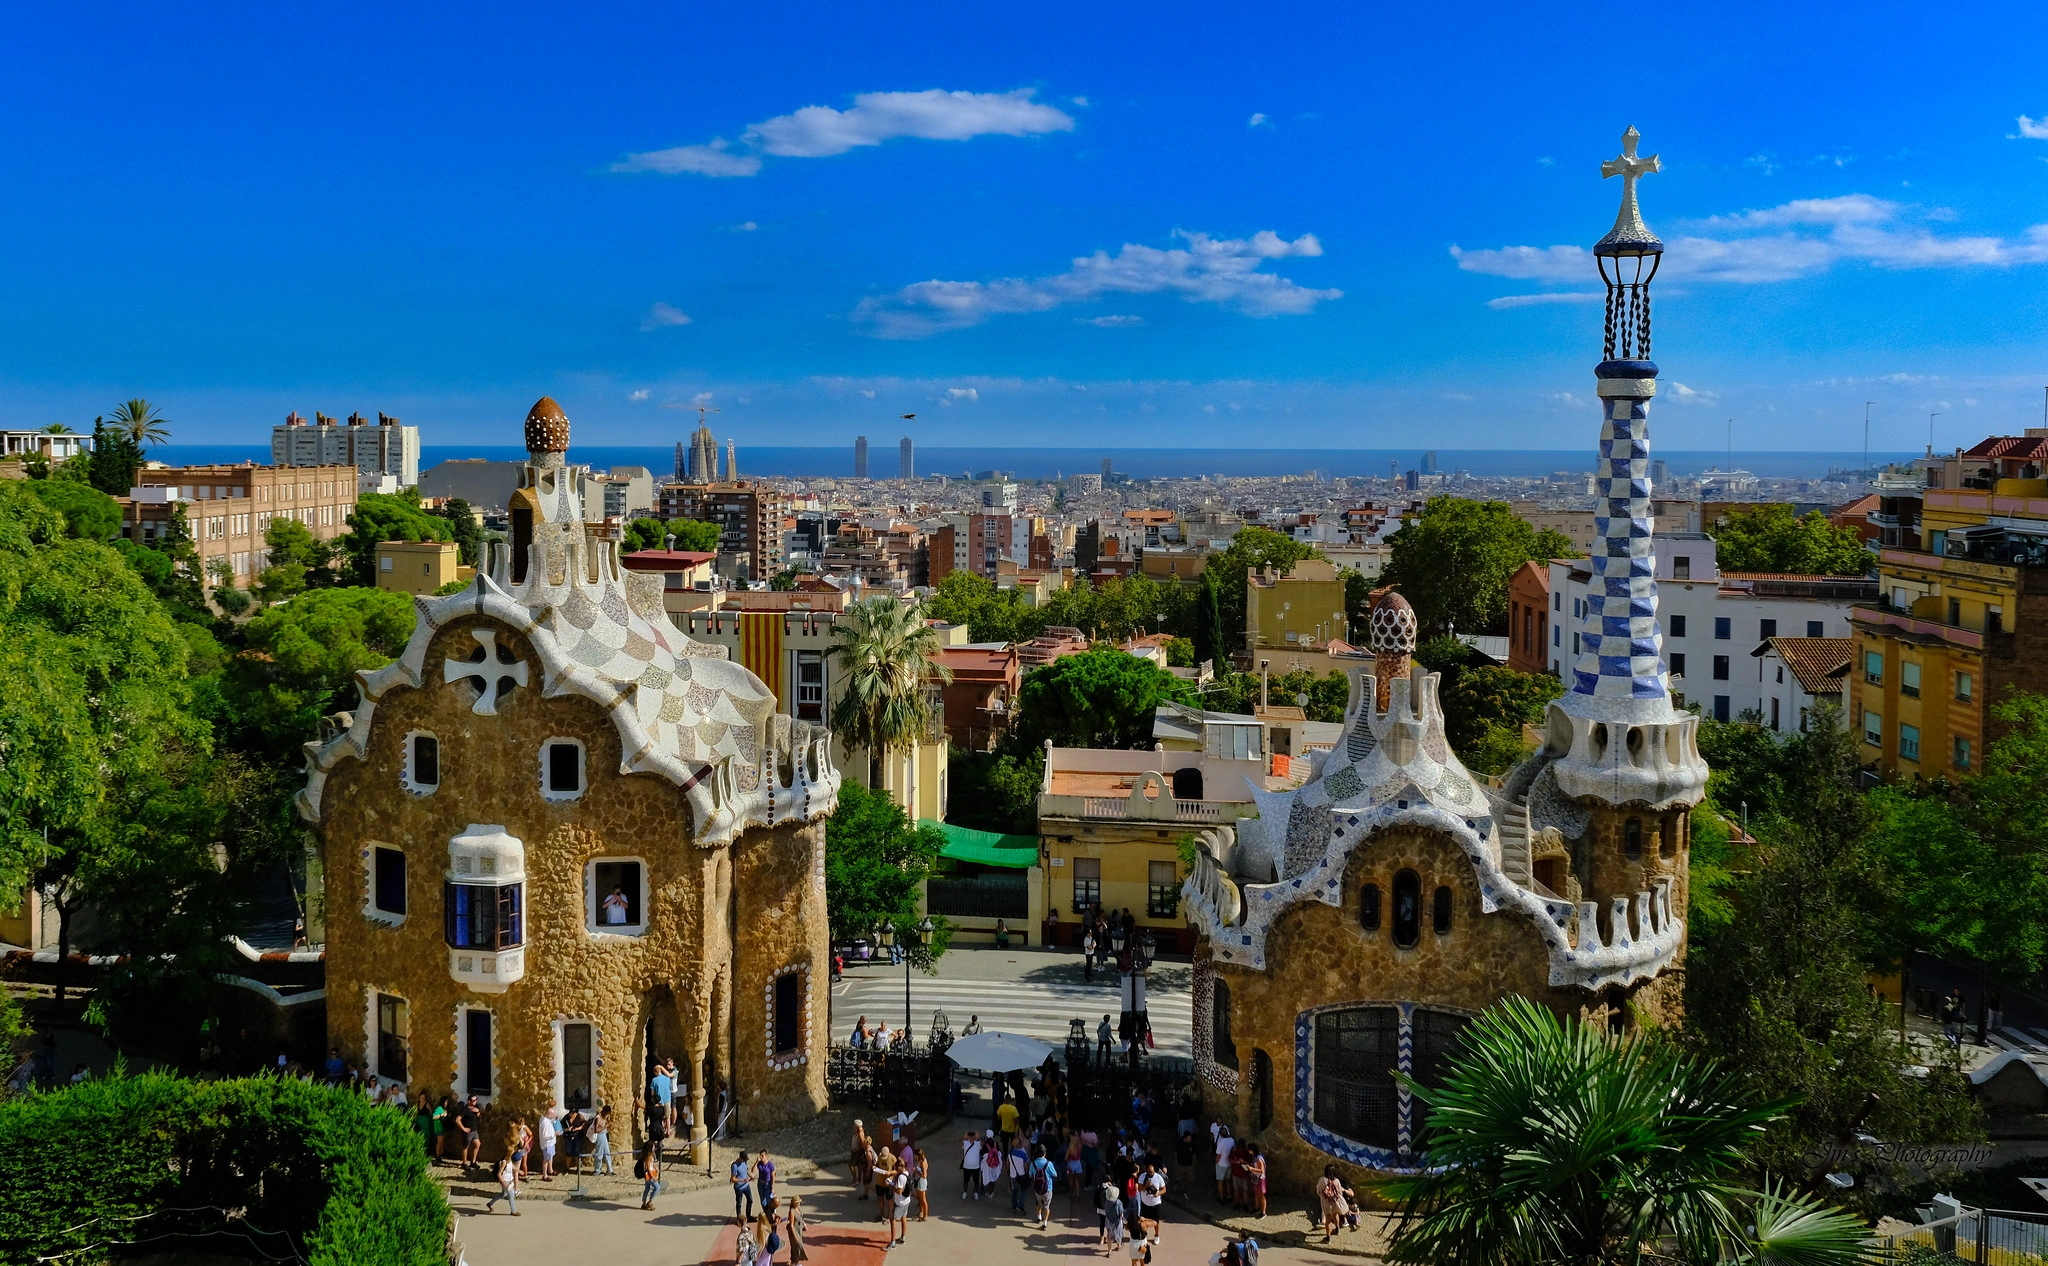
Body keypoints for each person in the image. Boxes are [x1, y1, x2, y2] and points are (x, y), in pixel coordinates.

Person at [1030, 1144, 1060, 1230]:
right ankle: (1045, 1222)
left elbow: (1030, 1174)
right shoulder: (1048, 1163)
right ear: (1044, 1153)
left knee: (1038, 1202)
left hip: (1037, 1188)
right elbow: (1055, 1174)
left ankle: (1039, 1216)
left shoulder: (1033, 1163)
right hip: (1048, 1188)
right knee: (1046, 1206)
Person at [484, 1150, 519, 1216]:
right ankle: (513, 1211)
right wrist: (503, 1182)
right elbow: (499, 1174)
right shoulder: (504, 1162)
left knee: (503, 1194)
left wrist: (519, 1171)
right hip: (505, 1181)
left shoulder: (509, 1161)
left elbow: (512, 1167)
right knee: (511, 1194)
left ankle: (490, 1204)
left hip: (509, 1180)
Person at [1136, 1162, 1166, 1240]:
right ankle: (1144, 1235)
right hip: (1145, 1203)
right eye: (1149, 1172)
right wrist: (1146, 1185)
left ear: (1154, 1171)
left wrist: (1158, 1193)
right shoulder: (1142, 1177)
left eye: (1152, 1172)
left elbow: (1164, 1189)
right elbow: (1139, 1189)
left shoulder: (1158, 1177)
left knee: (1156, 1221)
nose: (1150, 1173)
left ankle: (1156, 1235)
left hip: (1155, 1204)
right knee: (1144, 1221)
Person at [1316, 1164, 1344, 1242]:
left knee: (1327, 1220)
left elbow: (1318, 1191)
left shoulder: (1322, 1180)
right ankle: (1337, 1229)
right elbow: (1340, 1193)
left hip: (1326, 1203)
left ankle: (1328, 1237)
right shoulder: (1337, 1181)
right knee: (1336, 1215)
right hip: (1335, 1202)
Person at [535, 1100, 560, 1180]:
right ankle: (545, 1175)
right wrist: (554, 1134)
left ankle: (550, 1169)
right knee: (546, 1159)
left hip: (551, 1143)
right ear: (549, 1115)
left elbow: (551, 1121)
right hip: (547, 1143)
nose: (553, 1116)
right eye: (552, 1115)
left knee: (550, 1156)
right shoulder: (544, 1123)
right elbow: (545, 1135)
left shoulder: (546, 1119)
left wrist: (555, 1120)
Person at [888, 1162, 912, 1245]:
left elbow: (899, 1191)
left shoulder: (901, 1177)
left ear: (899, 1167)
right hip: (906, 1200)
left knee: (892, 1219)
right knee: (903, 1217)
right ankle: (902, 1237)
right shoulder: (907, 1173)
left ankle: (892, 1243)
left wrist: (891, 1186)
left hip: (899, 1202)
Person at [1099, 1178, 1126, 1252]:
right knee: (1118, 1233)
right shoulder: (1118, 1202)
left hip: (1108, 1220)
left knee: (1109, 1235)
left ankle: (1109, 1250)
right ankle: (1118, 1246)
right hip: (1117, 1221)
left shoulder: (1106, 1202)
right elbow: (1121, 1213)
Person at [1242, 1144, 1266, 1219]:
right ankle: (1257, 1208)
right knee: (1256, 1194)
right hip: (1255, 1179)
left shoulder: (1258, 1159)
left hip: (1260, 1179)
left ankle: (1263, 1212)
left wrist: (1251, 1169)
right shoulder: (1254, 1157)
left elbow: (1261, 1170)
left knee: (1261, 1195)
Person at [732, 1150, 756, 1224]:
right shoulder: (735, 1165)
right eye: (744, 1159)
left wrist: (751, 1175)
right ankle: (739, 1218)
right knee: (739, 1203)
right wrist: (742, 1180)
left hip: (746, 1186)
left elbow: (746, 1170)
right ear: (740, 1158)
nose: (745, 1161)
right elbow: (733, 1179)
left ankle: (748, 1216)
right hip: (739, 1187)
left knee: (750, 1200)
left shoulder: (744, 1162)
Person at [1212, 1126, 1234, 1203]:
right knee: (1228, 1180)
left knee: (1220, 1182)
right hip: (1229, 1164)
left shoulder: (1221, 1143)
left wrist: (1216, 1163)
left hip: (1221, 1164)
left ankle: (1221, 1198)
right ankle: (1229, 1195)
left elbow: (1218, 1156)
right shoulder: (1231, 1140)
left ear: (1220, 1135)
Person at [852, 1119, 874, 1196]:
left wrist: (868, 1172)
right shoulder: (869, 1148)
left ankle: (878, 1193)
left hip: (867, 1168)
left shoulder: (868, 1152)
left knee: (867, 1182)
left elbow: (870, 1163)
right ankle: (865, 1194)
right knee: (866, 1182)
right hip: (866, 1168)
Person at [785, 1194, 809, 1264]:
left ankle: (794, 1261)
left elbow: (801, 1218)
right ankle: (795, 1262)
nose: (798, 1203)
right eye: (797, 1202)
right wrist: (794, 1236)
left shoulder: (798, 1208)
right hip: (794, 1231)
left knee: (795, 1247)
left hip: (799, 1229)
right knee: (797, 1246)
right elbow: (791, 1225)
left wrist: (804, 1225)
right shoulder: (792, 1211)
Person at [960, 1128, 984, 1199]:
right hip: (966, 1166)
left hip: (975, 1167)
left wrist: (978, 1137)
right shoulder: (966, 1143)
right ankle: (965, 1192)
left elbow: (982, 1143)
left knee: (976, 1181)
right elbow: (961, 1142)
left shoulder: (978, 1143)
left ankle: (975, 1192)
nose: (971, 1137)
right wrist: (965, 1137)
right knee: (965, 1181)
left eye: (973, 1136)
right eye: (970, 1136)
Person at [592, 1102, 614, 1175]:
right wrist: (606, 1126)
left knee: (607, 1152)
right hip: (599, 1136)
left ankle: (610, 1170)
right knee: (599, 1153)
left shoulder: (604, 1117)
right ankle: (597, 1170)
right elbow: (596, 1130)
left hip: (604, 1135)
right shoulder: (598, 1118)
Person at [913, 1145, 931, 1221]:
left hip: (921, 1181)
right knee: (920, 1199)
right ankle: (921, 1212)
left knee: (923, 1199)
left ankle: (925, 1215)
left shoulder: (923, 1163)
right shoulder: (920, 1161)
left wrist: (917, 1171)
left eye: (915, 1155)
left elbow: (924, 1175)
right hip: (918, 1180)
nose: (914, 1157)